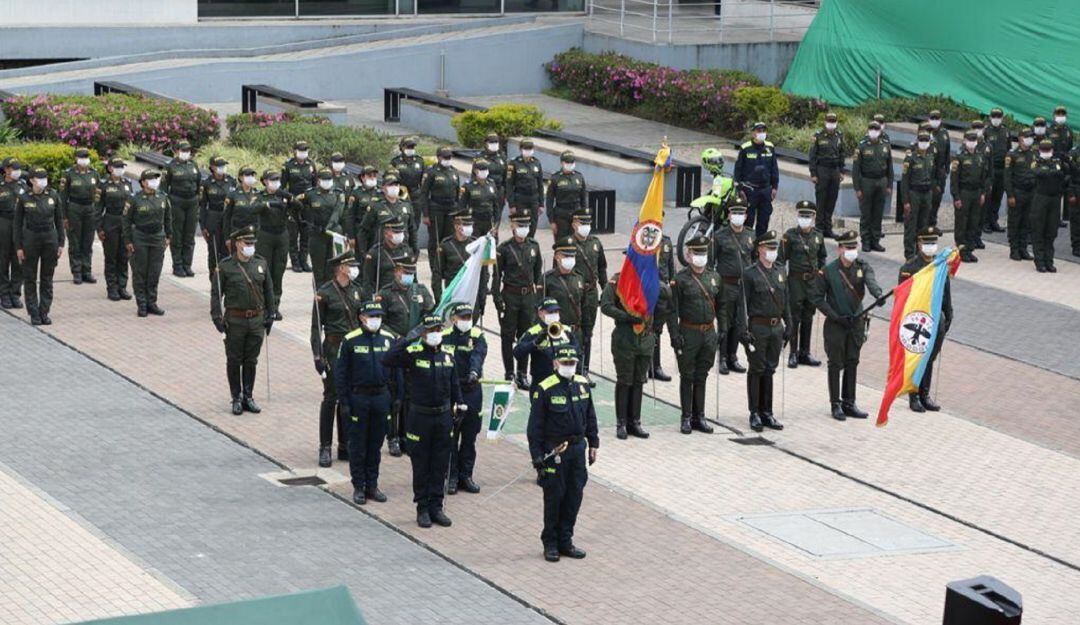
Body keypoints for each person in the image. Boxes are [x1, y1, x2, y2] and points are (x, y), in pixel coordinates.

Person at [383, 314, 466, 529]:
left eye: (438, 329)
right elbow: (388, 359)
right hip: (420, 417)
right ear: (423, 334)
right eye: (431, 331)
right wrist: (409, 339)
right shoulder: (413, 353)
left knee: (440, 463)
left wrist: (460, 404)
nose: (436, 334)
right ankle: (422, 508)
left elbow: (454, 383)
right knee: (421, 465)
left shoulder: (447, 356)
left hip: (443, 416)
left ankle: (436, 507)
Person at [527, 344, 597, 563]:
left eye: (572, 363)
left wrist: (594, 442)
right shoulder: (545, 388)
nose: (569, 367)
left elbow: (591, 416)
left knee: (574, 496)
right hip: (555, 449)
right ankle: (550, 542)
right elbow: (535, 426)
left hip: (577, 450)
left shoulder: (583, 385)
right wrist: (537, 455)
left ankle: (566, 541)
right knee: (554, 497)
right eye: (565, 363)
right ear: (555, 363)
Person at [811, 231, 882, 420]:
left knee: (852, 361)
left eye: (854, 247)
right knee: (835, 364)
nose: (852, 251)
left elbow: (871, 282)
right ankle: (835, 404)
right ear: (840, 249)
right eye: (848, 247)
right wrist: (835, 316)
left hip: (856, 322)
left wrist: (878, 294)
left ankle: (849, 402)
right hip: (836, 323)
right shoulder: (828, 271)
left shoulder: (862, 266)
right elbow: (817, 298)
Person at [335, 300, 396, 505]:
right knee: (358, 445)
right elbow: (341, 374)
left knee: (375, 444)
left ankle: (373, 485)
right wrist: (344, 402)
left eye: (378, 316)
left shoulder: (388, 339)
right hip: (358, 398)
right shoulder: (350, 340)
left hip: (381, 397)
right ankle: (359, 486)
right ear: (362, 318)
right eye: (372, 316)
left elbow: (396, 372)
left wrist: (395, 399)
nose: (376, 320)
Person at [210, 225, 275, 415]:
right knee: (234, 359)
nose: (250, 246)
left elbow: (269, 290)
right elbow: (216, 294)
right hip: (235, 320)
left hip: (256, 320)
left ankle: (248, 396)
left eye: (252, 243)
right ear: (238, 244)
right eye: (247, 243)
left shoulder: (260, 263)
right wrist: (216, 316)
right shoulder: (225, 266)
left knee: (251, 360)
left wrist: (271, 314)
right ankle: (236, 397)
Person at [376, 257, 434, 457]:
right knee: (395, 397)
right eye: (405, 272)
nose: (409, 275)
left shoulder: (420, 291)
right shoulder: (385, 294)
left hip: (415, 350)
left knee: (410, 397)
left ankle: (406, 436)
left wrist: (420, 332)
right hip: (396, 351)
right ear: (397, 272)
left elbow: (430, 314)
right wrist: (397, 337)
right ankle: (392, 437)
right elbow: (379, 322)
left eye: (411, 271)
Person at [734, 230, 790, 433]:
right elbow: (742, 305)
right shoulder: (750, 274)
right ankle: (754, 412)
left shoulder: (781, 271)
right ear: (759, 250)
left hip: (776, 327)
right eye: (769, 248)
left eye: (775, 248)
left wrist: (789, 324)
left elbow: (786, 300)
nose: (772, 252)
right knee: (757, 369)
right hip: (758, 326)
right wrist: (743, 331)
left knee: (770, 369)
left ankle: (768, 411)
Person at [312, 251, 365, 467]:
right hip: (334, 349)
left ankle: (345, 445)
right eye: (350, 265)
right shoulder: (325, 294)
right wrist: (318, 356)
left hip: (353, 348)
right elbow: (316, 328)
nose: (354, 268)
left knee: (349, 397)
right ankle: (325, 446)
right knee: (331, 396)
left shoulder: (357, 291)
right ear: (341, 268)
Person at [667, 236, 719, 434]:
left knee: (702, 375)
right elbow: (673, 310)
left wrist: (721, 330)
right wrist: (674, 334)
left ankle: (700, 416)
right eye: (696, 253)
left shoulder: (714, 277)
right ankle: (686, 416)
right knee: (687, 376)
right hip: (689, 332)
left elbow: (721, 306)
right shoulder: (680, 280)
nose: (700, 257)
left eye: (703, 253)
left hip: (708, 332)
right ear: (688, 255)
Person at [898, 228, 951, 412]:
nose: (931, 247)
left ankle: (924, 394)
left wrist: (948, 316)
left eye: (933, 243)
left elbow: (945, 293)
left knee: (929, 357)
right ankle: (913, 396)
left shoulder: (940, 265)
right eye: (927, 243)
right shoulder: (909, 268)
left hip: (937, 319)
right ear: (919, 245)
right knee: (917, 357)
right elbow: (903, 298)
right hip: (918, 320)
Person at [493, 210, 543, 389]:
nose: (524, 229)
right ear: (512, 226)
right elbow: (497, 276)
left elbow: (538, 274)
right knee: (507, 336)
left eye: (526, 226)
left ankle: (522, 373)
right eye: (520, 225)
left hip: (528, 298)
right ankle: (509, 373)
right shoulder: (504, 249)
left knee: (526, 335)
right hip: (510, 296)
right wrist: (497, 299)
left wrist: (537, 297)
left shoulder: (534, 246)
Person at [441, 303, 488, 495]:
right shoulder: (444, 337)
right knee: (451, 436)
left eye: (469, 317)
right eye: (462, 317)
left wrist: (474, 372)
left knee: (470, 435)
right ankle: (451, 475)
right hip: (451, 390)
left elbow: (478, 355)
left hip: (471, 390)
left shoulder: (478, 336)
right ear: (454, 319)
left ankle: (466, 475)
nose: (466, 321)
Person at [601, 273, 652, 440]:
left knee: (639, 380)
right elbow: (606, 305)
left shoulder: (650, 279)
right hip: (625, 336)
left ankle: (635, 422)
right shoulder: (617, 280)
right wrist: (626, 317)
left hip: (644, 338)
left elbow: (664, 301)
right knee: (625, 380)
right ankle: (621, 422)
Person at [14, 168, 64, 325]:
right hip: (31, 238)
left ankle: (44, 311)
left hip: (50, 238)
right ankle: (34, 312)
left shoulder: (53, 195)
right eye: (39, 178)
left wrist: (61, 243)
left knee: (47, 278)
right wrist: (19, 247)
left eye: (45, 178)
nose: (43, 181)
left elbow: (59, 221)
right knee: (30, 277)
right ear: (31, 180)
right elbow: (17, 225)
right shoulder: (23, 198)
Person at [779, 201, 825, 368]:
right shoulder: (789, 236)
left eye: (808, 216)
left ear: (813, 217)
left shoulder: (818, 236)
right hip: (795, 281)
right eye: (802, 215)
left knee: (808, 316)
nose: (804, 219)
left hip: (812, 282)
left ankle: (805, 352)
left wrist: (820, 275)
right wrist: (783, 281)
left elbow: (822, 257)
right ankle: (792, 353)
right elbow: (780, 261)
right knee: (794, 317)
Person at [711, 198, 754, 375]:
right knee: (724, 322)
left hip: (743, 286)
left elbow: (754, 260)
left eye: (741, 213)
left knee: (739, 321)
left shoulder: (751, 235)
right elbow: (710, 262)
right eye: (734, 212)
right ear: (729, 215)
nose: (737, 216)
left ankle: (733, 357)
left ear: (745, 215)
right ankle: (721, 358)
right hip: (726, 285)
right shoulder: (720, 236)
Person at [123, 170, 172, 318]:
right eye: (151, 179)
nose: (155, 181)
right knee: (140, 272)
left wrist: (169, 236)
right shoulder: (134, 199)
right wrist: (128, 241)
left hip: (157, 237)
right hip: (141, 237)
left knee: (154, 271)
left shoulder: (163, 197)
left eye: (156, 178)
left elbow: (168, 218)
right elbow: (126, 221)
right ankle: (142, 304)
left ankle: (152, 302)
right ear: (143, 182)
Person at [569, 208, 607, 383]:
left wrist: (606, 290)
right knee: (574, 331)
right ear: (574, 224)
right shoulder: (568, 244)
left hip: (591, 293)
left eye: (587, 223)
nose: (585, 226)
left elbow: (602, 268)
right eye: (582, 223)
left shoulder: (596, 243)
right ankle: (572, 368)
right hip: (574, 294)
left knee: (587, 333)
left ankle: (584, 369)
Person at [515, 297, 578, 391]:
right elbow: (517, 352)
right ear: (540, 313)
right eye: (550, 312)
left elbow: (578, 352)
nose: (554, 315)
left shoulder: (566, 330)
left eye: (556, 312)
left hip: (563, 383)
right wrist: (534, 343)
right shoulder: (533, 332)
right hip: (541, 384)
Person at [295, 169, 344, 286]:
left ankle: (332, 299)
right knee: (318, 271)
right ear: (318, 181)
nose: (327, 182)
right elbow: (296, 205)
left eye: (329, 179)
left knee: (334, 269)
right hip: (316, 235)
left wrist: (328, 227)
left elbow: (338, 212)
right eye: (324, 179)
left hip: (334, 234)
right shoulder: (310, 194)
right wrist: (303, 221)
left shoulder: (338, 193)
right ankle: (318, 300)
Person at [59, 147, 100, 284]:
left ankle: (86, 271)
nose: (84, 160)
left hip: (90, 209)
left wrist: (97, 213)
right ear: (76, 159)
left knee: (88, 241)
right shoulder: (69, 174)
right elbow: (63, 197)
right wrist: (64, 216)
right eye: (82, 157)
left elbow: (99, 195)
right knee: (75, 241)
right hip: (74, 208)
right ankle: (76, 271)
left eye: (86, 157)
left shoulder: (94, 173)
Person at [418, 147, 460, 277]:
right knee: (435, 240)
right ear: (439, 157)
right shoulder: (431, 172)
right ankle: (435, 268)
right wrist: (425, 214)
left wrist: (458, 211)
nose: (447, 160)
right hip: (436, 208)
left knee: (448, 239)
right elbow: (424, 194)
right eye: (445, 157)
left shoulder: (454, 171)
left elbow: (458, 192)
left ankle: (446, 267)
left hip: (451, 209)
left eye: (449, 157)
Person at [852, 121, 893, 254]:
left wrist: (889, 185)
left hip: (881, 181)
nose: (874, 131)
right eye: (872, 129)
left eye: (876, 129)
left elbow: (890, 168)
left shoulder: (885, 146)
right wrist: (857, 188)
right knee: (866, 214)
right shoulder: (862, 147)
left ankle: (875, 241)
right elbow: (855, 170)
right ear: (868, 130)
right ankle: (866, 241)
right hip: (866, 181)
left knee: (878, 213)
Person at [96, 158, 134, 302]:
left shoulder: (127, 184)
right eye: (117, 167)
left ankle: (122, 287)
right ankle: (112, 288)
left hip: (124, 223)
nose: (120, 169)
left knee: (124, 256)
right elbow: (97, 208)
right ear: (110, 168)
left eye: (122, 167)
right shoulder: (104, 185)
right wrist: (99, 228)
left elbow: (131, 206)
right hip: (110, 221)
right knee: (111, 256)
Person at [950, 130, 990, 263]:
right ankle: (961, 251)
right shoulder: (959, 157)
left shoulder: (980, 156)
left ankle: (970, 249)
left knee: (973, 222)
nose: (972, 142)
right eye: (969, 140)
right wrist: (956, 197)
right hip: (964, 193)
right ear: (964, 141)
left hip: (976, 192)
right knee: (962, 223)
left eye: (974, 140)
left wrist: (983, 193)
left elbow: (984, 176)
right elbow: (954, 180)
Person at [161, 141, 200, 278]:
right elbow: (164, 187)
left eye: (188, 150)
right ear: (177, 151)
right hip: (177, 201)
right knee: (177, 234)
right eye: (183, 150)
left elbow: (198, 183)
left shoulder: (193, 165)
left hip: (192, 202)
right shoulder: (170, 166)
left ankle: (187, 265)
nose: (186, 153)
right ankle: (177, 265)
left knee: (189, 235)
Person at [733, 122, 779, 237]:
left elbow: (774, 168)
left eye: (763, 131)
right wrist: (739, 189)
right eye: (759, 131)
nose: (761, 134)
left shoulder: (770, 147)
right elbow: (738, 170)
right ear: (753, 133)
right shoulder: (745, 148)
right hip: (749, 190)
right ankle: (747, 247)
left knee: (763, 221)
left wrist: (775, 187)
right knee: (748, 221)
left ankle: (759, 248)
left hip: (765, 190)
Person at [257, 170, 292, 317]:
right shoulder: (259, 196)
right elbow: (254, 208)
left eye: (278, 179)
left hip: (281, 235)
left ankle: (275, 306)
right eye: (272, 180)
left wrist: (290, 199)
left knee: (278, 271)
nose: (276, 182)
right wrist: (268, 204)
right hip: (265, 235)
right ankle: (264, 306)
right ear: (265, 181)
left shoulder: (283, 195)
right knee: (266, 271)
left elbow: (298, 207)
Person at [357, 174, 418, 256]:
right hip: (382, 252)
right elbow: (364, 230)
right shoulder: (376, 206)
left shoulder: (406, 205)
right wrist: (364, 253)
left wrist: (415, 249)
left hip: (403, 250)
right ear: (383, 188)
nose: (394, 187)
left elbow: (412, 229)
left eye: (396, 185)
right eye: (391, 185)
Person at [1030, 139, 1066, 273]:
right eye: (1044, 150)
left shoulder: (1056, 162)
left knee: (1051, 231)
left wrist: (1053, 173)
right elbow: (1038, 173)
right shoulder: (1036, 161)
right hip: (1041, 198)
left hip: (1054, 199)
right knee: (1039, 229)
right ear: (1040, 150)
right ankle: (1039, 261)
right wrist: (1052, 173)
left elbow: (1063, 174)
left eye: (1048, 150)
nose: (1047, 152)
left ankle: (1049, 261)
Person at [543, 237, 585, 347]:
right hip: (556, 333)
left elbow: (584, 305)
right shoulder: (547, 279)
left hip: (575, 333)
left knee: (577, 363)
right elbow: (539, 309)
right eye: (566, 256)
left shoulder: (579, 277)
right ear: (557, 257)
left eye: (572, 256)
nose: (570, 259)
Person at [433, 209, 482, 304]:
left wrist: (481, 298)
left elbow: (483, 272)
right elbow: (437, 274)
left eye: (470, 225)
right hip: (453, 291)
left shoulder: (476, 244)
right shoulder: (446, 245)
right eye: (466, 225)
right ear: (456, 226)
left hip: (471, 291)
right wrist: (439, 299)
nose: (469, 228)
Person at [808, 112, 845, 238]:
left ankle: (828, 229)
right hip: (822, 170)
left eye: (833, 121)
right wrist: (813, 173)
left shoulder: (839, 136)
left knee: (831, 200)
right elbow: (812, 156)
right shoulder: (818, 136)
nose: (831, 123)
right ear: (825, 122)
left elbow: (842, 154)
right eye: (829, 121)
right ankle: (819, 228)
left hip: (834, 170)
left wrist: (841, 171)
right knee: (821, 200)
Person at [900, 131, 935, 259]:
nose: (924, 143)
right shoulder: (910, 158)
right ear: (917, 141)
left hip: (926, 193)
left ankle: (920, 251)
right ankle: (910, 253)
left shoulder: (930, 157)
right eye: (922, 140)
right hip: (914, 193)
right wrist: (905, 201)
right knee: (911, 224)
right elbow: (904, 181)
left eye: (926, 140)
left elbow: (932, 176)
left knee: (923, 225)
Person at [282, 141, 316, 273]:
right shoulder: (288, 166)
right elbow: (283, 186)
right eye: (301, 150)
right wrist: (289, 199)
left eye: (305, 150)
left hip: (307, 204)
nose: (304, 153)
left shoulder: (311, 165)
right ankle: (295, 262)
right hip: (293, 203)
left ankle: (304, 261)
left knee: (306, 234)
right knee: (293, 234)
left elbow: (314, 185)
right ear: (295, 151)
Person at [199, 156, 236, 276]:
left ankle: (224, 277)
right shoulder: (207, 183)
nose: (222, 168)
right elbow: (203, 205)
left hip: (227, 217)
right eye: (220, 165)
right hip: (213, 218)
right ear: (213, 167)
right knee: (213, 251)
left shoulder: (231, 181)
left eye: (224, 165)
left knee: (226, 249)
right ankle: (213, 277)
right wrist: (203, 225)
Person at [1004, 128, 1036, 261]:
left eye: (1031, 137)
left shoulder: (1033, 154)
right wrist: (1010, 195)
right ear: (1021, 138)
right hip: (1017, 193)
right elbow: (1007, 177)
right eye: (1027, 137)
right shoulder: (1012, 155)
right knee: (1015, 222)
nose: (1030, 139)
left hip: (1030, 193)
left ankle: (1023, 249)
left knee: (1026, 222)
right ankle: (1014, 249)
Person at [362, 216, 412, 299]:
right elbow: (367, 282)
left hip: (404, 296)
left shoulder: (407, 250)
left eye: (401, 232)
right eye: (396, 232)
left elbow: (412, 276)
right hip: (383, 296)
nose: (399, 235)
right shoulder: (375, 253)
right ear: (386, 233)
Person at [648, 233, 675, 382]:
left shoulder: (666, 241)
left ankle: (655, 366)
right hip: (646, 289)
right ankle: (644, 365)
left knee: (657, 329)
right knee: (645, 328)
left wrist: (672, 286)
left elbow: (671, 267)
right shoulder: (643, 239)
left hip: (663, 292)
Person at [0, 158, 26, 310]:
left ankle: (15, 293)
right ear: (7, 170)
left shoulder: (22, 185)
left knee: (19, 259)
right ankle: (4, 293)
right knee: (3, 259)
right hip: (4, 222)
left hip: (20, 224)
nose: (17, 171)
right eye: (14, 168)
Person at [506, 139, 545, 237]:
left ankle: (530, 244)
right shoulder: (514, 163)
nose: (528, 151)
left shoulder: (536, 163)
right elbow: (509, 184)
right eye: (526, 148)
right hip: (520, 198)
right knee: (520, 226)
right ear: (520, 149)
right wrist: (512, 204)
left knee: (533, 226)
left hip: (534, 199)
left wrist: (541, 204)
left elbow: (540, 184)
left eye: (530, 149)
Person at [546, 151, 587, 239]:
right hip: (561, 215)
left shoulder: (579, 177)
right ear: (562, 163)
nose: (569, 164)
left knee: (576, 242)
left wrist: (585, 217)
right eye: (567, 162)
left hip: (576, 215)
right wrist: (551, 221)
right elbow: (549, 201)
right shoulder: (555, 178)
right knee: (561, 243)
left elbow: (583, 199)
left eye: (571, 162)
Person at [983, 108, 1010, 234]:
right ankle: (985, 223)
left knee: (998, 196)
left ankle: (994, 221)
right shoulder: (986, 131)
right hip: (990, 168)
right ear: (990, 117)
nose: (996, 118)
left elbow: (1008, 148)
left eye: (999, 116)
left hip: (1002, 168)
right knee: (988, 196)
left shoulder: (1006, 131)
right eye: (994, 116)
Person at [459, 159, 500, 238]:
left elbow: (496, 206)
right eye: (482, 170)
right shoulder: (468, 186)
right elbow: (461, 206)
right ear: (475, 171)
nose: (484, 172)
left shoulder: (491, 184)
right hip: (475, 221)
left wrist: (496, 224)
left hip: (488, 221)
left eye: (486, 169)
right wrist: (464, 223)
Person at [221, 167, 264, 239]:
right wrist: (227, 238)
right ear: (241, 177)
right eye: (247, 175)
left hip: (254, 232)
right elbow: (226, 217)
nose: (250, 177)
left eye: (252, 175)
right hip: (237, 231)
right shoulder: (233, 195)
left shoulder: (258, 194)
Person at [1049, 106, 1073, 227]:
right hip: (1051, 165)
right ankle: (1051, 218)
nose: (1060, 116)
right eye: (1058, 113)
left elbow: (1069, 147)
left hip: (1063, 165)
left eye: (1062, 114)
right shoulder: (1049, 130)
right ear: (1054, 115)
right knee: (1052, 191)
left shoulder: (1068, 130)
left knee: (1061, 192)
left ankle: (1058, 218)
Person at [346, 165, 380, 250]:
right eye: (369, 176)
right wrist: (351, 236)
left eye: (374, 176)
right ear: (362, 177)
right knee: (361, 259)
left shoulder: (380, 193)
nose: (372, 178)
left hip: (376, 231)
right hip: (361, 230)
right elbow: (350, 215)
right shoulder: (356, 193)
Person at [477, 133, 507, 227]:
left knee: (497, 216)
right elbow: (474, 175)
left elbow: (505, 176)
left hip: (499, 191)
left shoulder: (502, 156)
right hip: (485, 190)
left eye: (496, 142)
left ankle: (495, 235)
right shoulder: (480, 157)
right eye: (492, 142)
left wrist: (506, 194)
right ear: (486, 143)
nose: (494, 144)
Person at [928, 110, 951, 226]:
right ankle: (925, 223)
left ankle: (933, 222)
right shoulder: (926, 133)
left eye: (937, 118)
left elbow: (948, 153)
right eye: (932, 118)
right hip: (929, 172)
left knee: (937, 198)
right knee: (928, 199)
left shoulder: (944, 133)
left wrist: (947, 169)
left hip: (940, 171)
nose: (935, 120)